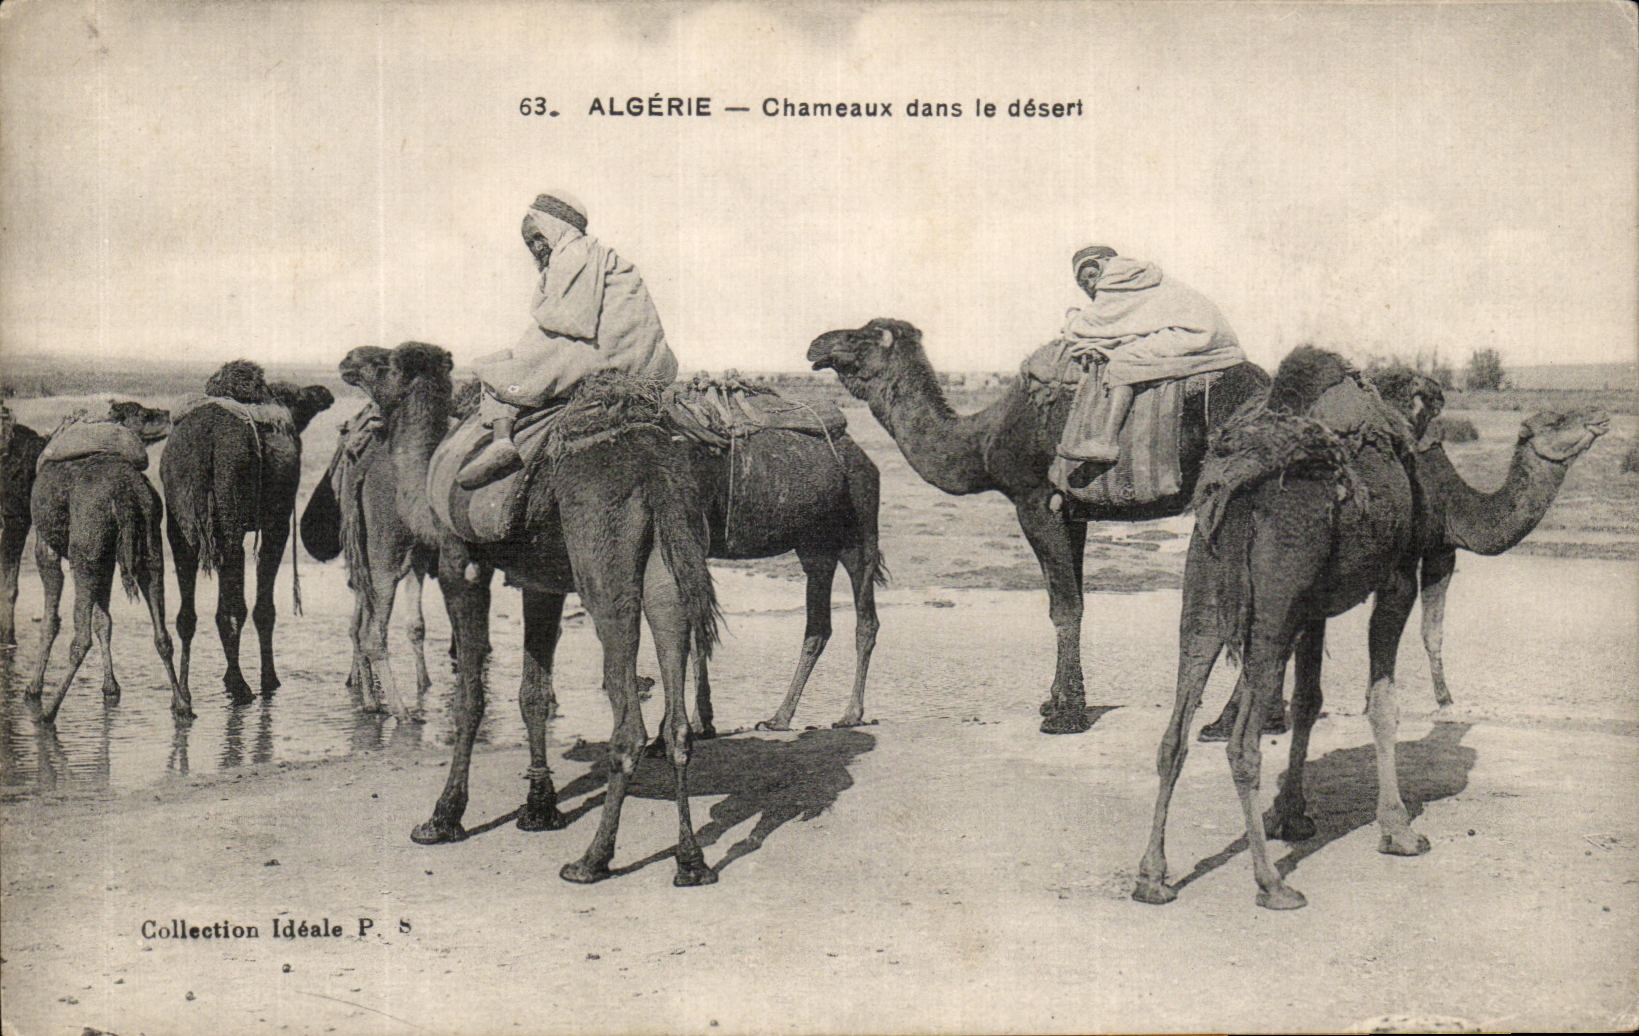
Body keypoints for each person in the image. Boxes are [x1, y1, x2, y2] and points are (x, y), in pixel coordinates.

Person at [457, 192, 679, 488]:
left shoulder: (574, 253)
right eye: (530, 243)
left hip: (608, 353)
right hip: (640, 355)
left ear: (556, 228)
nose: (536, 247)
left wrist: (528, 349)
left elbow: (574, 320)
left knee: (500, 370)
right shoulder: (596, 255)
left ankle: (501, 441)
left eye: (538, 237)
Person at [1055, 244, 1245, 464]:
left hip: (1192, 334)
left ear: (1103, 263)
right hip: (1209, 333)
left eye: (1091, 275)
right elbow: (1132, 324)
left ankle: (1106, 442)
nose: (1090, 284)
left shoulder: (1116, 275)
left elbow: (1093, 324)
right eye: (1083, 282)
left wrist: (1071, 317)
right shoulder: (1139, 275)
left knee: (1123, 361)